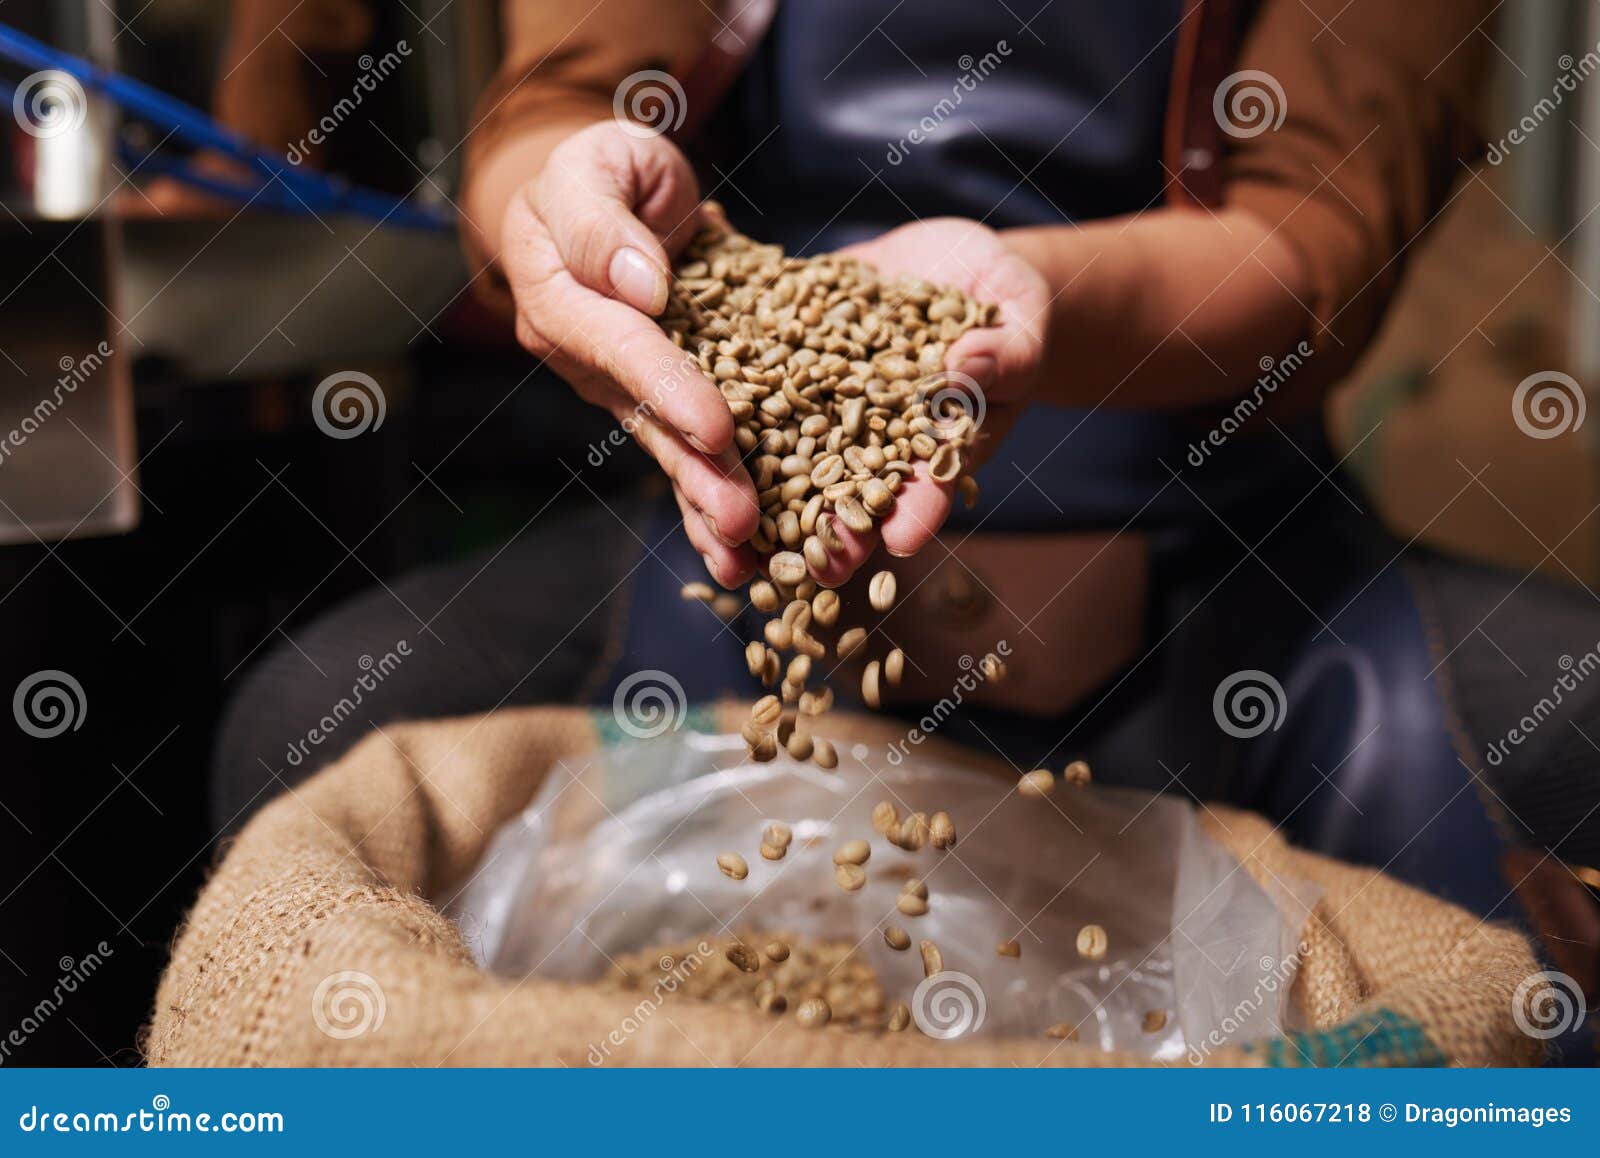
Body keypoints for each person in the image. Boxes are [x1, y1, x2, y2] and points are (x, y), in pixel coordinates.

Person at [216, 0, 1600, 978]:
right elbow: (564, 106)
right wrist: (549, 197)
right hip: (735, 510)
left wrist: (1029, 297)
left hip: (1222, 528)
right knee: (312, 720)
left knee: (1565, 724)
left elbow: (1307, 241)